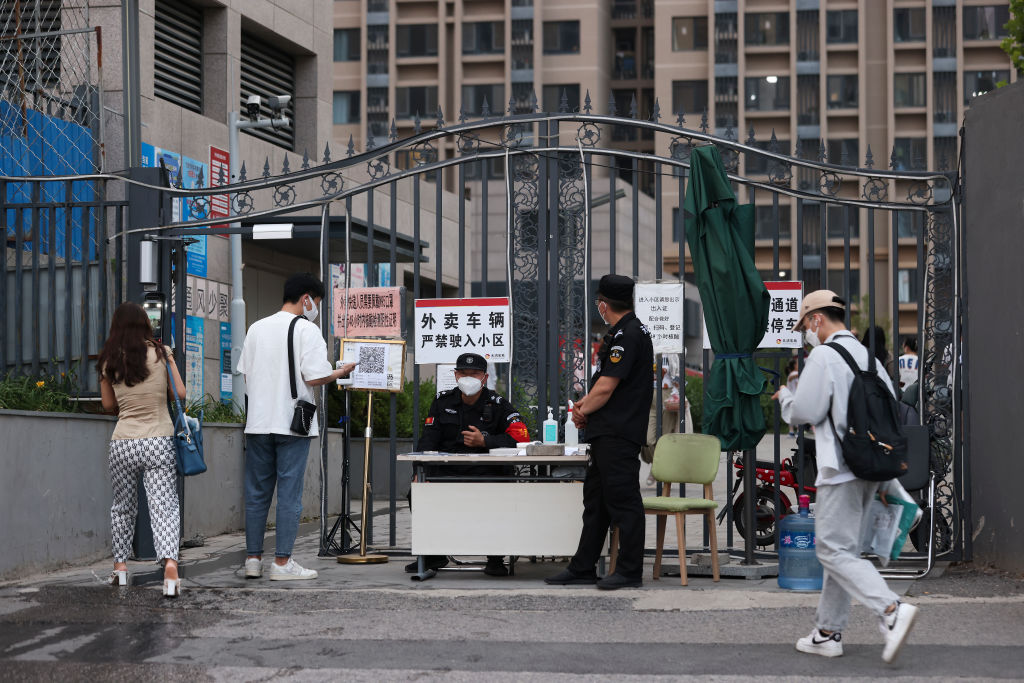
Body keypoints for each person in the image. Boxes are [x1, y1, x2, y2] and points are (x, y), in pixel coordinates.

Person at [773, 290, 919, 663]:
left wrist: (786, 398)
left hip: (840, 468)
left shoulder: (823, 355)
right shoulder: (868, 356)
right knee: (842, 551)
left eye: (806, 324)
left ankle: (891, 610)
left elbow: (806, 410)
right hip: (871, 466)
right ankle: (827, 633)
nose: (807, 333)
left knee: (832, 550)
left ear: (817, 319)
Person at [238, 273, 355, 581]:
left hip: (258, 423)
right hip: (293, 424)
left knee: (256, 494)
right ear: (306, 298)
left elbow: (247, 377)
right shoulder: (307, 329)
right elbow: (315, 377)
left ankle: (252, 561)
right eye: (315, 302)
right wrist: (340, 371)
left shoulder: (255, 328)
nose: (315, 307)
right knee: (289, 494)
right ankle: (281, 563)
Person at [546, 274, 654, 590]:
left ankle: (630, 571)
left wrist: (581, 410)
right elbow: (602, 388)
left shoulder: (627, 335)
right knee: (597, 502)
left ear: (604, 305)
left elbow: (606, 387)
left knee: (623, 502)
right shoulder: (629, 331)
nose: (599, 308)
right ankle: (583, 566)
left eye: (598, 303)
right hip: (607, 431)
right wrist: (586, 409)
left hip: (617, 433)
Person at [406, 352, 531, 576]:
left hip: (487, 473)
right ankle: (433, 555)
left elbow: (521, 438)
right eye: (464, 373)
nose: (468, 378)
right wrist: (418, 471)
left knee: (500, 494)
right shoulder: (442, 402)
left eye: (474, 373)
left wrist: (486, 441)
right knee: (415, 492)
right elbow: (428, 439)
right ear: (455, 375)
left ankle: (495, 558)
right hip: (447, 472)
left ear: (484, 377)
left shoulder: (498, 404)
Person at [97, 302, 187, 598]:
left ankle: (121, 568)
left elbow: (109, 406)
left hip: (122, 442)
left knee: (123, 507)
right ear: (146, 326)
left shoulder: (109, 360)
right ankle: (170, 568)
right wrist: (169, 358)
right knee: (163, 507)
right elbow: (181, 394)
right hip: (158, 440)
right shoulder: (161, 354)